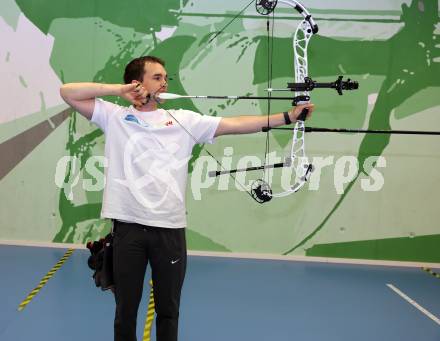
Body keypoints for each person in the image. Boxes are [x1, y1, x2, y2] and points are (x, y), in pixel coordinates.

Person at [60, 55, 314, 341]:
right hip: (128, 228)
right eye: (157, 77)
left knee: (168, 311)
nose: (164, 82)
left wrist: (287, 117)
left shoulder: (184, 120)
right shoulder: (114, 116)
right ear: (137, 83)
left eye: (165, 77)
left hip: (169, 230)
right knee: (126, 311)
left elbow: (237, 123)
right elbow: (67, 92)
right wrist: (118, 91)